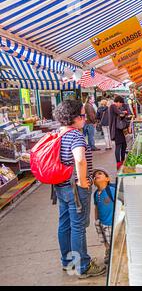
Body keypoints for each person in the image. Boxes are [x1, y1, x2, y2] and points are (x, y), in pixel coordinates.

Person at [53, 100, 106, 279]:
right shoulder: (75, 136)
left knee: (65, 223)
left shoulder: (59, 133)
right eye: (82, 115)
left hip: (60, 186)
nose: (84, 119)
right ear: (73, 117)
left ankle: (67, 261)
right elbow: (80, 159)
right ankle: (83, 265)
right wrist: (83, 181)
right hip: (75, 188)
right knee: (78, 226)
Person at [93, 168, 115, 266]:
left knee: (112, 241)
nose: (96, 175)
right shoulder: (95, 194)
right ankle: (108, 251)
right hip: (101, 223)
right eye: (94, 175)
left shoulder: (111, 190)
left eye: (100, 173)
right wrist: (96, 220)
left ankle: (114, 254)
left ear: (107, 179)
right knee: (105, 240)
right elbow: (96, 207)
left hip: (110, 222)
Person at [109, 96, 128, 169]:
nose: (121, 105)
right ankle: (118, 162)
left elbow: (120, 115)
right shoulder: (112, 106)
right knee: (118, 146)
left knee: (124, 145)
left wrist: (123, 114)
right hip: (115, 130)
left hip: (119, 129)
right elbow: (120, 113)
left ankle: (123, 161)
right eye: (121, 103)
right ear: (118, 102)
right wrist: (124, 112)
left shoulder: (115, 107)